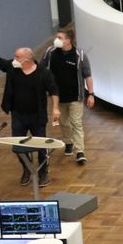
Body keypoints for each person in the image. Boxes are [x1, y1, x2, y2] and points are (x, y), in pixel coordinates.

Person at [0, 39, 60, 187]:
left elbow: (54, 90)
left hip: (37, 116)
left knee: (41, 146)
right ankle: (27, 169)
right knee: (17, 146)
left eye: (17, 57)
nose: (14, 59)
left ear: (27, 60)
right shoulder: (12, 68)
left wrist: (55, 108)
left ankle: (43, 173)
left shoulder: (43, 73)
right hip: (18, 115)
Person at [41, 24, 94, 166]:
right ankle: (68, 142)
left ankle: (80, 152)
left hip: (75, 97)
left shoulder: (80, 55)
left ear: (68, 41)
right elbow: (41, 70)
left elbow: (87, 75)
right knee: (63, 122)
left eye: (59, 37)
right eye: (56, 37)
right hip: (57, 97)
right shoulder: (50, 52)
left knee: (76, 122)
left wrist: (91, 94)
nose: (56, 40)